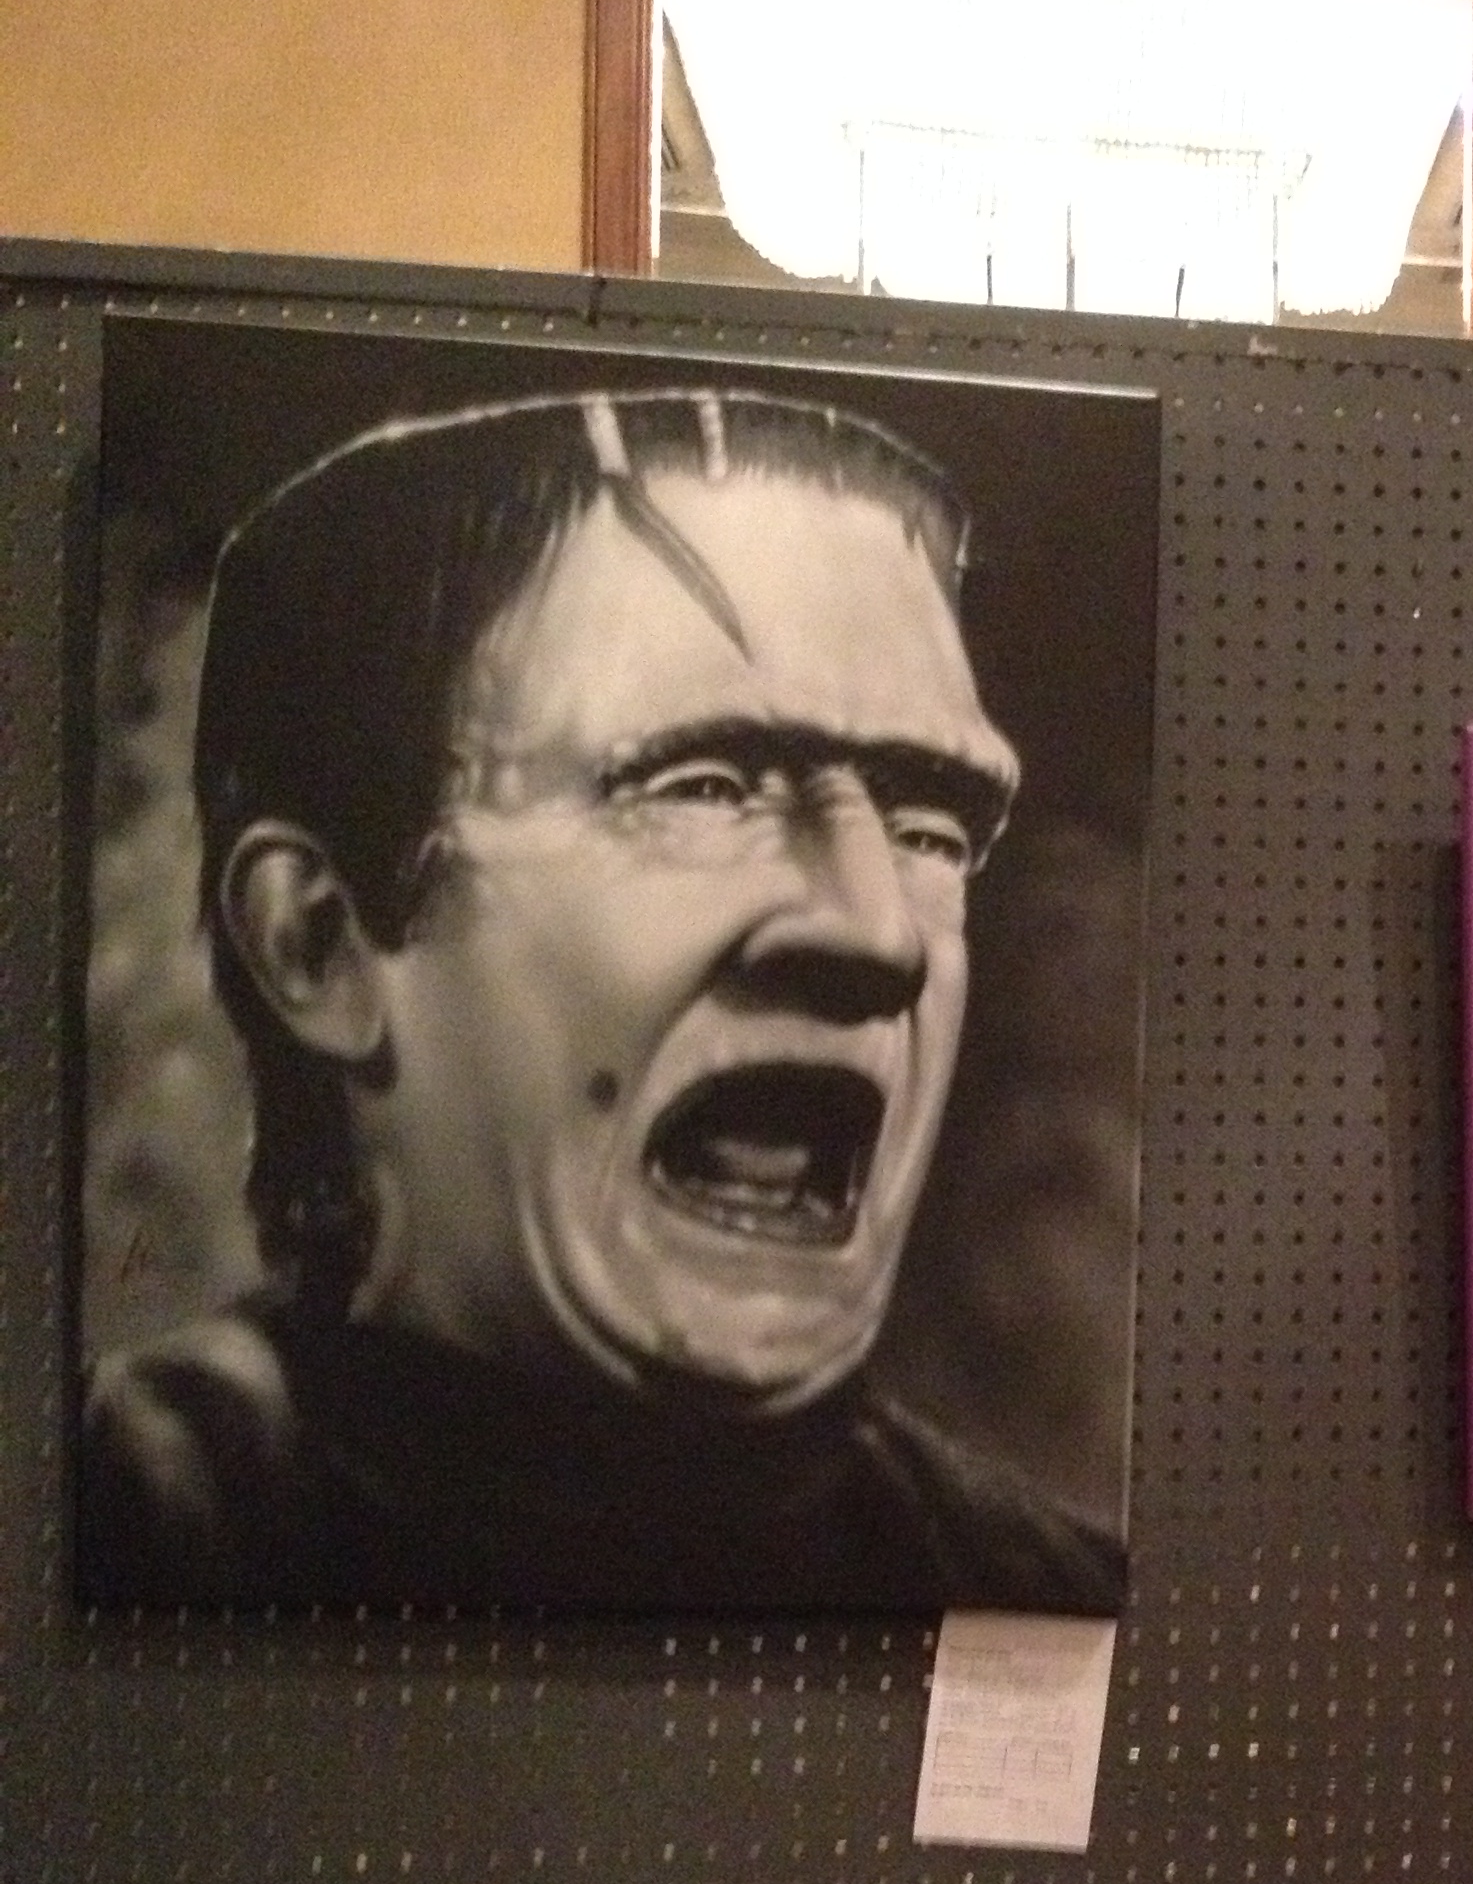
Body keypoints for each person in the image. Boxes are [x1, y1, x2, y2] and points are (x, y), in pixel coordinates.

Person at [78, 386, 1126, 1611]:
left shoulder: (1051, 1603)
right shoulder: (118, 1536)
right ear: (318, 944)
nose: (878, 932)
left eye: (930, 827)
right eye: (705, 787)